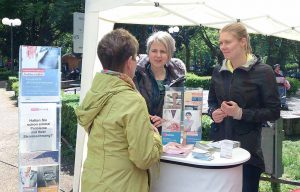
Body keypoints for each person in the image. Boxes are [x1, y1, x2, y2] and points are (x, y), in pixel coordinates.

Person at [75, 29, 163, 192]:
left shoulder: (95, 92)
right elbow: (144, 158)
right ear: (130, 62)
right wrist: (155, 136)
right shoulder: (132, 100)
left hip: (92, 182)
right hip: (121, 185)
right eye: (136, 58)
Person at [208, 22, 281, 192]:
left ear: (242, 42)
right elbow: (211, 102)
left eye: (228, 42)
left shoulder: (264, 72)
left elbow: (274, 111)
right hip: (219, 149)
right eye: (220, 42)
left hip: (247, 153)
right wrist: (213, 113)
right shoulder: (218, 70)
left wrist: (241, 113)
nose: (223, 46)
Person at [134, 31, 186, 133]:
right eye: (154, 51)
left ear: (170, 54)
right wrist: (146, 118)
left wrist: (165, 121)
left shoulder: (178, 78)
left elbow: (181, 111)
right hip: (140, 132)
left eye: (163, 51)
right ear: (148, 52)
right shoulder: (136, 75)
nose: (158, 55)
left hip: (167, 135)